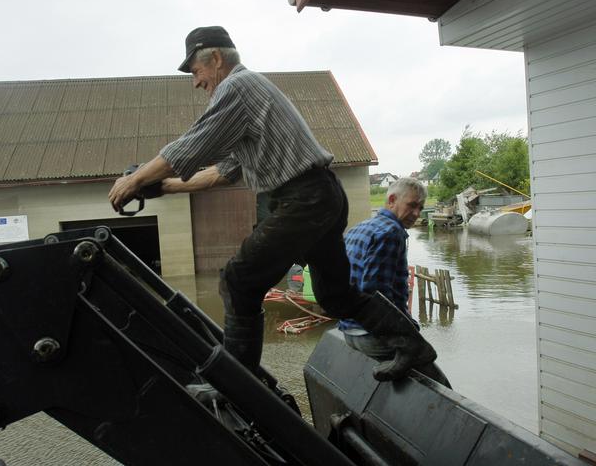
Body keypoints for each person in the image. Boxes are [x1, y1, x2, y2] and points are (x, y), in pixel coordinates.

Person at [108, 26, 436, 381]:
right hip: (322, 196)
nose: (196, 81)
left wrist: (135, 179)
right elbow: (223, 172)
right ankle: (410, 344)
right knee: (335, 295)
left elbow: (189, 146)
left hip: (304, 199)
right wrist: (165, 187)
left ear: (216, 59)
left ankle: (239, 385)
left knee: (238, 280)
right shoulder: (248, 99)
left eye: (195, 70)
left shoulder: (237, 86)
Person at [341, 178, 450, 386]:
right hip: (373, 336)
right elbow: (376, 296)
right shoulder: (391, 233)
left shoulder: (360, 228)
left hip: (349, 330)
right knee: (440, 388)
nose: (417, 213)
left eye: (421, 207)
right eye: (412, 205)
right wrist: (407, 339)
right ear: (392, 200)